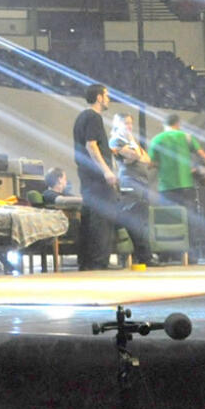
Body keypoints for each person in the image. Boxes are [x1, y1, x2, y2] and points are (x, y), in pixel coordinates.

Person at [148, 114, 205, 262]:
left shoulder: (157, 139)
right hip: (186, 186)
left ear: (165, 124)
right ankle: (191, 256)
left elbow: (151, 164)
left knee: (168, 221)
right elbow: (203, 155)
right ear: (178, 123)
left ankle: (166, 256)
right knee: (190, 220)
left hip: (166, 188)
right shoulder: (187, 137)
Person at [71, 84, 118, 270]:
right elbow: (92, 145)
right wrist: (107, 170)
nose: (108, 99)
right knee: (102, 219)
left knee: (90, 218)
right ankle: (99, 261)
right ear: (99, 97)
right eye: (106, 95)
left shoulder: (82, 117)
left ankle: (87, 262)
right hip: (97, 177)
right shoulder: (94, 117)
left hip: (87, 177)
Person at [108, 112, 153, 265]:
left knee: (143, 223)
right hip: (130, 185)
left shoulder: (131, 141)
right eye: (125, 123)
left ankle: (144, 257)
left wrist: (134, 149)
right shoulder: (116, 140)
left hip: (142, 185)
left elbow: (147, 160)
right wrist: (134, 153)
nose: (129, 126)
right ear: (117, 124)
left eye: (130, 123)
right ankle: (144, 258)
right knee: (135, 221)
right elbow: (134, 156)